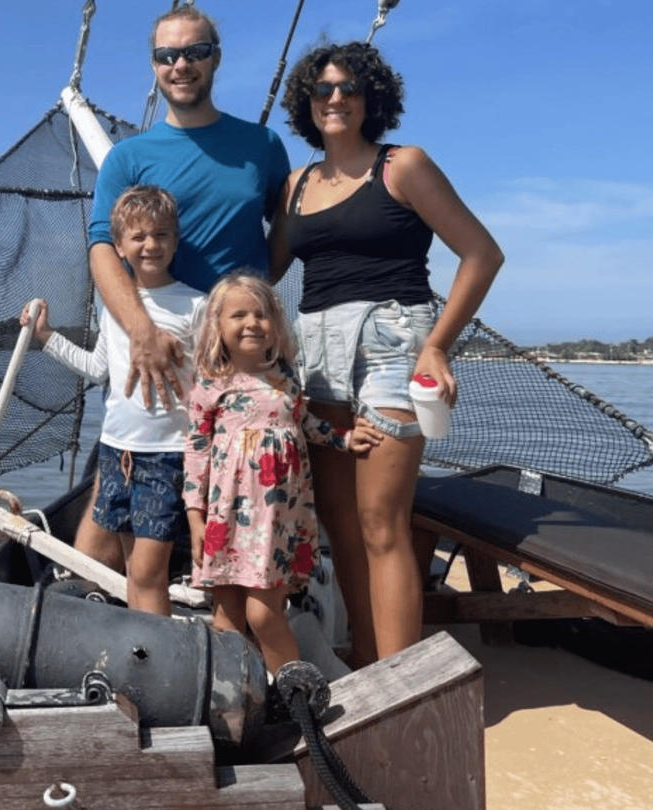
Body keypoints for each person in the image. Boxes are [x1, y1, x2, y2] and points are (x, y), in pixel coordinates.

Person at [270, 41, 504, 666]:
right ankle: (370, 667)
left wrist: (437, 347)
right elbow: (260, 275)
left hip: (393, 345)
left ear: (371, 98)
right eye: (323, 89)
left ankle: (402, 688)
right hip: (316, 352)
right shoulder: (294, 186)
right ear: (306, 102)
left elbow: (482, 254)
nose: (336, 98)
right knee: (340, 526)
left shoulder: (403, 166)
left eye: (349, 87)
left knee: (381, 522)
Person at [88, 5, 291, 411]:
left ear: (216, 57)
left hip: (245, 360)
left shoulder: (262, 146)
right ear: (154, 65)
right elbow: (102, 248)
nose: (180, 65)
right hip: (161, 353)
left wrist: (250, 295)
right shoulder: (127, 158)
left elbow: (286, 230)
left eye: (195, 52)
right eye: (167, 55)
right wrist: (143, 331)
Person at [183, 274, 384, 674]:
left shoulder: (285, 376)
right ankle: (236, 696)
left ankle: (297, 695)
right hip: (228, 518)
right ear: (217, 326)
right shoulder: (211, 383)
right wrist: (194, 516)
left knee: (263, 614)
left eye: (261, 314)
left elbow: (304, 422)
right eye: (238, 315)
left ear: (275, 323)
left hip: (275, 521)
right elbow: (196, 450)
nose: (252, 323)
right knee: (226, 614)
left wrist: (344, 438)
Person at [22, 185, 206, 616]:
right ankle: (139, 645)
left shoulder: (196, 305)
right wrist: (45, 337)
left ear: (175, 241)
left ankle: (157, 651)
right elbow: (96, 369)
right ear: (119, 247)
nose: (150, 244)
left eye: (161, 235)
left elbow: (211, 382)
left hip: (167, 456)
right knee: (129, 569)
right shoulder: (113, 308)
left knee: (148, 571)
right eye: (138, 236)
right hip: (116, 452)